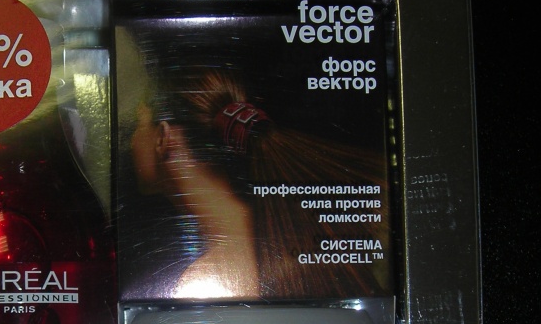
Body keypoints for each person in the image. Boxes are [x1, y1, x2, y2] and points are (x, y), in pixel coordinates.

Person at [127, 57, 392, 300]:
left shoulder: (206, 278)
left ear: (163, 138)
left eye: (137, 126)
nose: (130, 141)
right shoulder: (289, 234)